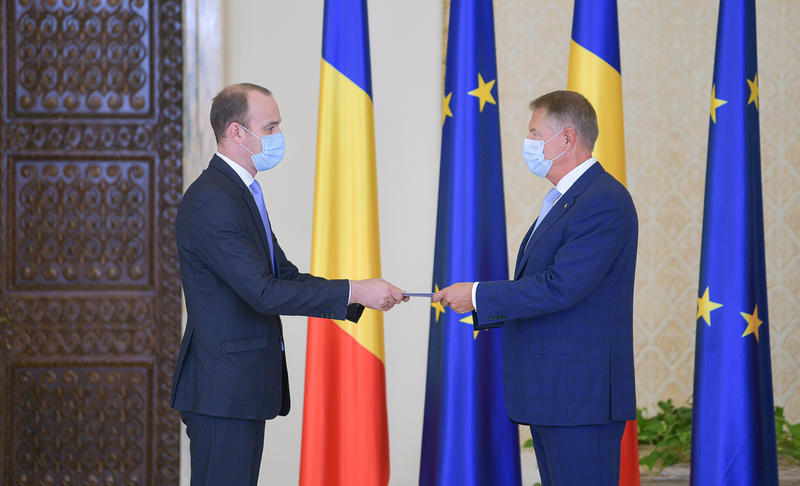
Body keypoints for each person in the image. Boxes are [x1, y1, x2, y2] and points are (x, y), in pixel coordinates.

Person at [171, 82, 405, 486]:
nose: (279, 137)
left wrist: (355, 291)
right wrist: (354, 291)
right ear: (236, 132)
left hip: (240, 387)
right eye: (270, 128)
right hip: (222, 391)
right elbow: (261, 292)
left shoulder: (243, 194)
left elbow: (284, 276)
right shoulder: (213, 198)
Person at [434, 90, 638, 486]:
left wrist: (476, 295)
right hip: (557, 397)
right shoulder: (566, 200)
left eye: (534, 133)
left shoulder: (601, 200)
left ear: (565, 139)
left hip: (580, 400)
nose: (528, 143)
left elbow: (560, 288)